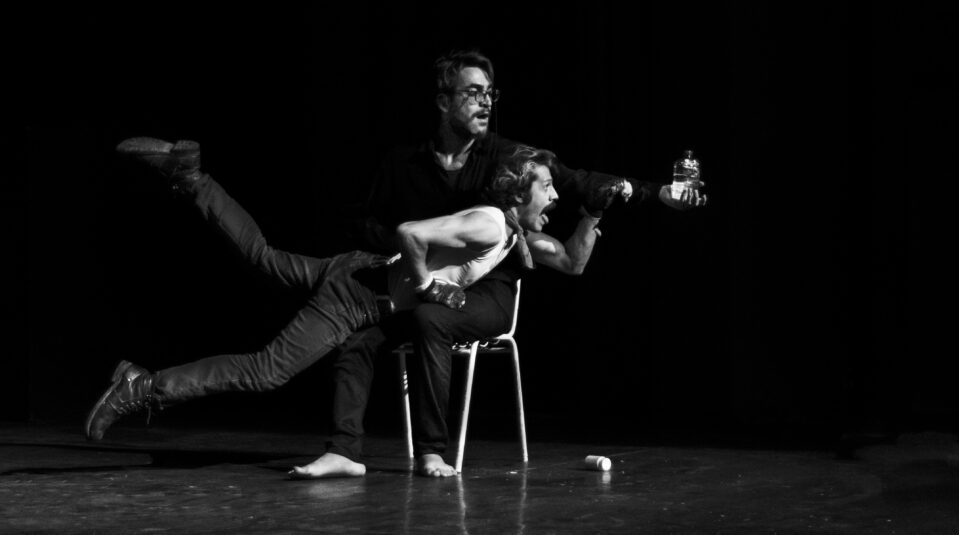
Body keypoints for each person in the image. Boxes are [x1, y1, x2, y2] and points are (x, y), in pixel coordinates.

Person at [290, 50, 707, 479]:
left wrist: (658, 193)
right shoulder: (404, 162)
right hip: (422, 282)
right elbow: (363, 221)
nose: (486, 102)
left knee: (432, 319)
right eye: (473, 93)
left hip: (489, 291)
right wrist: (402, 253)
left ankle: (431, 451)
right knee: (360, 334)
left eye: (490, 93)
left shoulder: (503, 157)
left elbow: (576, 182)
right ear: (443, 101)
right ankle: (343, 450)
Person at [84, 139, 596, 468]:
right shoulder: (490, 223)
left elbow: (572, 261)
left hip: (357, 270)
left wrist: (595, 214)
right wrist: (425, 285)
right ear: (518, 191)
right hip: (356, 297)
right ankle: (142, 387)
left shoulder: (510, 236)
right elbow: (409, 232)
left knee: (263, 257)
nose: (555, 196)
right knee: (267, 371)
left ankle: (193, 178)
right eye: (547, 186)